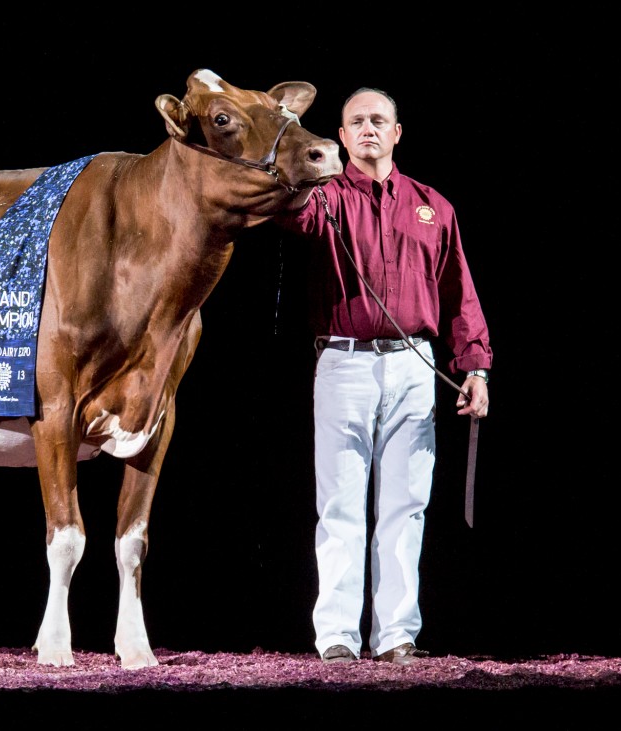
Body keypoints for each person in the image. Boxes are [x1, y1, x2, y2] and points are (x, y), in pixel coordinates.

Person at [274, 87, 492, 664]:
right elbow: (290, 217)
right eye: (356, 122)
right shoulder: (324, 200)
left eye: (379, 120)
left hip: (414, 364)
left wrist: (474, 368)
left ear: (397, 133)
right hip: (343, 362)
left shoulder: (432, 206)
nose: (368, 128)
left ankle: (396, 634)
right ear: (341, 137)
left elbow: (458, 293)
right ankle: (339, 637)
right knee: (341, 505)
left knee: (405, 505)